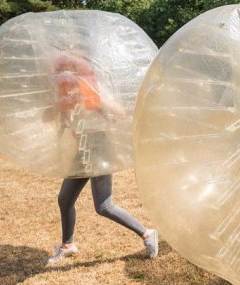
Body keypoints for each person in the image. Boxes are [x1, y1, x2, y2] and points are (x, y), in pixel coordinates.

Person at [46, 50, 158, 264]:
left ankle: (147, 233)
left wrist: (94, 99)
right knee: (65, 199)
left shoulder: (92, 89)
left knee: (104, 206)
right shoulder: (65, 94)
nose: (68, 73)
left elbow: (120, 112)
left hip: (99, 146)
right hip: (83, 150)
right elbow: (51, 118)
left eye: (72, 68)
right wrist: (59, 104)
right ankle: (67, 245)